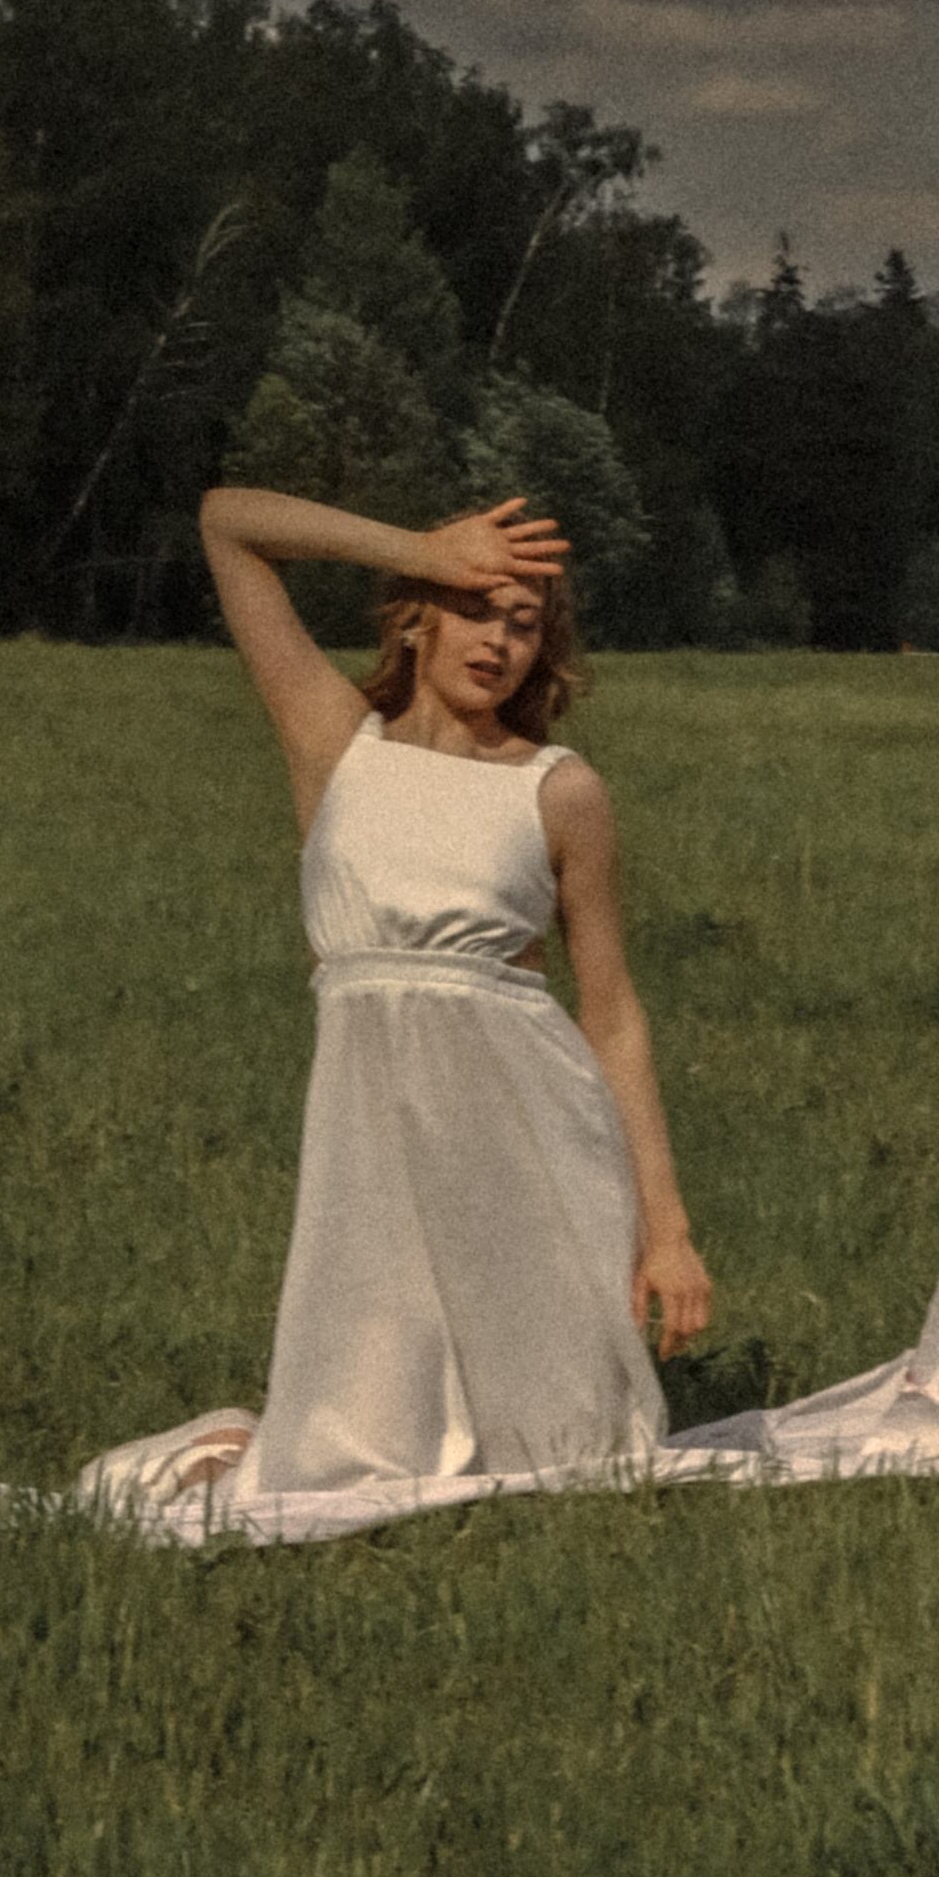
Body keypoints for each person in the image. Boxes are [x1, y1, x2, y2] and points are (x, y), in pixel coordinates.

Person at [143, 485, 712, 1506]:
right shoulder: (334, 743)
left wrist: (665, 1231)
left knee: (567, 1463)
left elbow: (613, 1012)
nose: (496, 641)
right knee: (350, 1453)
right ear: (417, 617)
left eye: (523, 625)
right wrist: (421, 546)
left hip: (530, 1141)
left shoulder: (559, 789)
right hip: (373, 1150)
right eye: (473, 607)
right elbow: (227, 521)